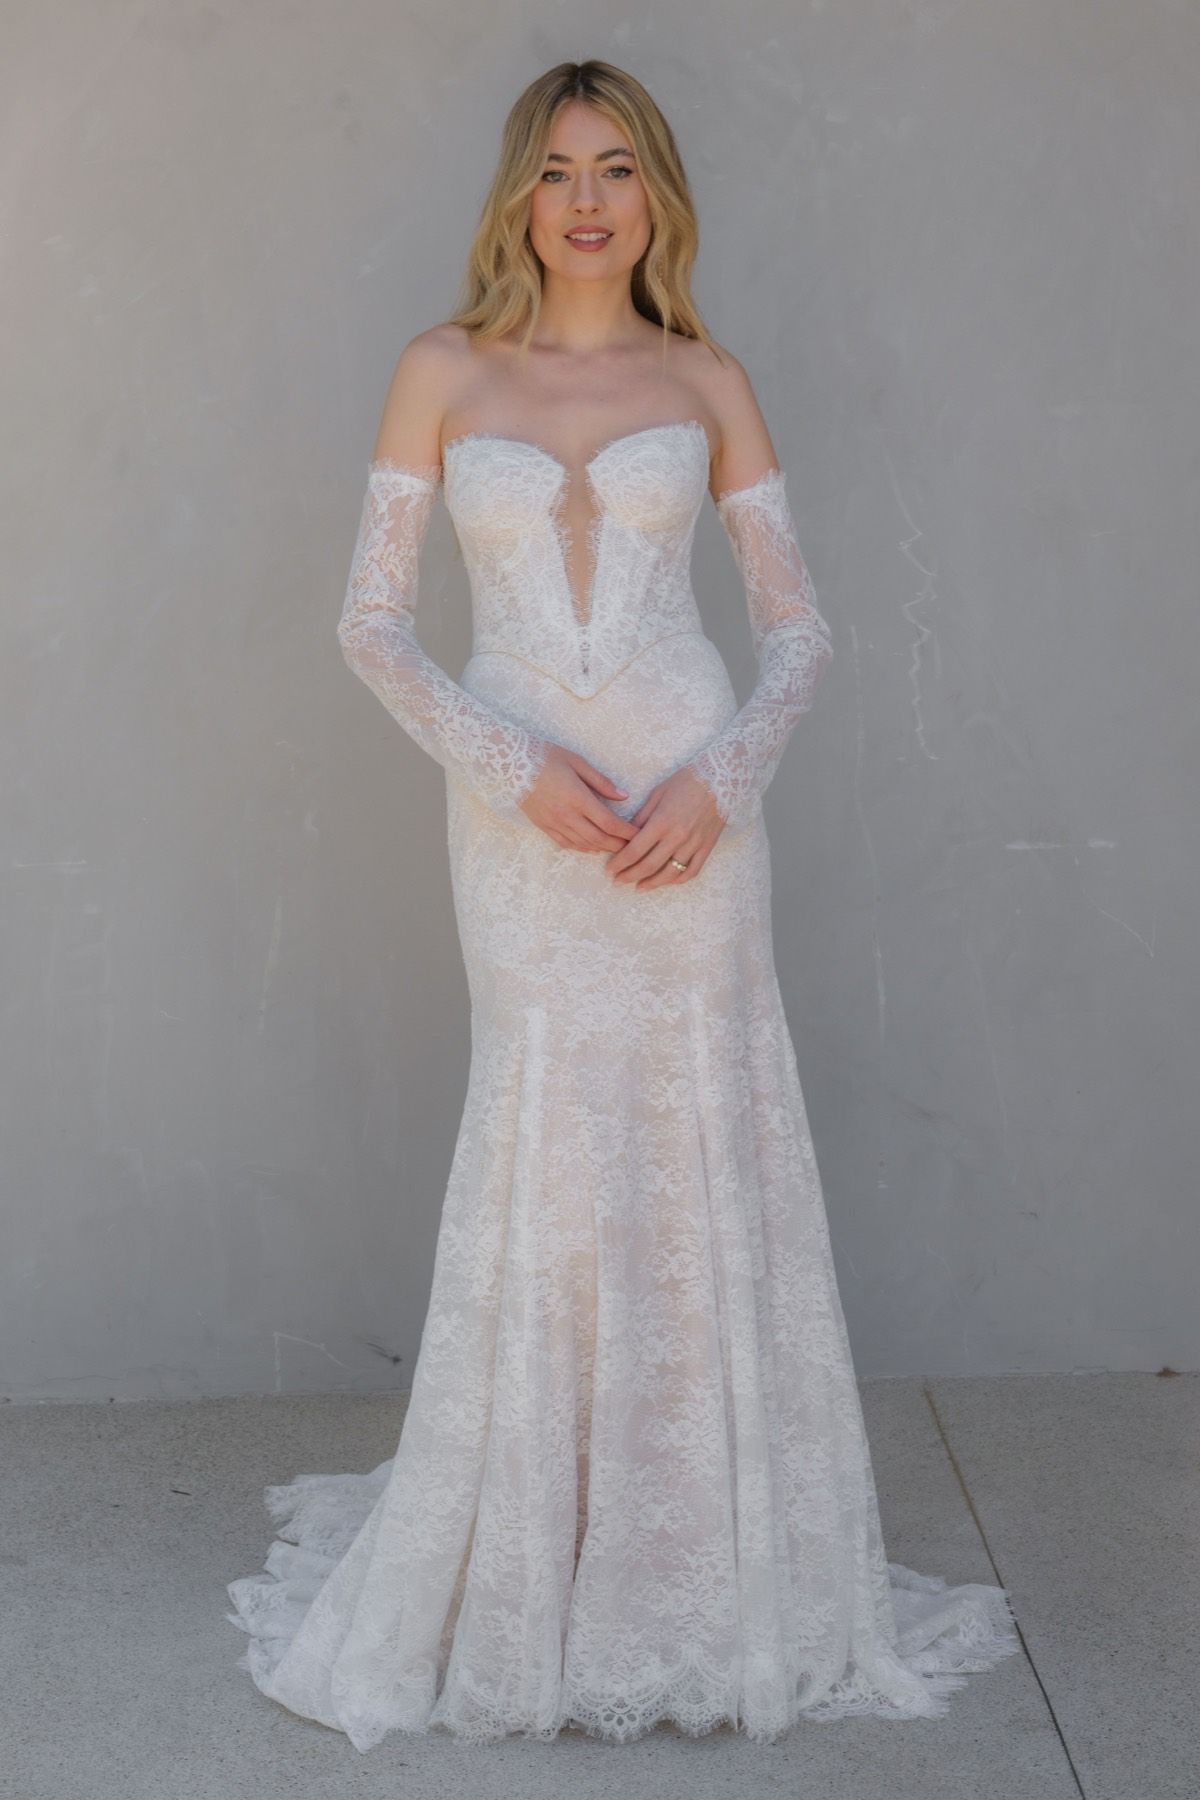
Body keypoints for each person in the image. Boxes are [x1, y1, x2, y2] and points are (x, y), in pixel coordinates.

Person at [225, 57, 1019, 1750]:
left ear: (656, 194)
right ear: (520, 196)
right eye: (559, 171)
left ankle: (701, 1569)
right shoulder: (443, 368)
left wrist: (725, 783)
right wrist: (501, 760)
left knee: (694, 1135)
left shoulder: (708, 378)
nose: (588, 201)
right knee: (549, 1131)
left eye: (618, 170)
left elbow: (797, 629)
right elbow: (371, 623)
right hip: (522, 812)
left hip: (689, 812)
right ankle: (533, 1555)